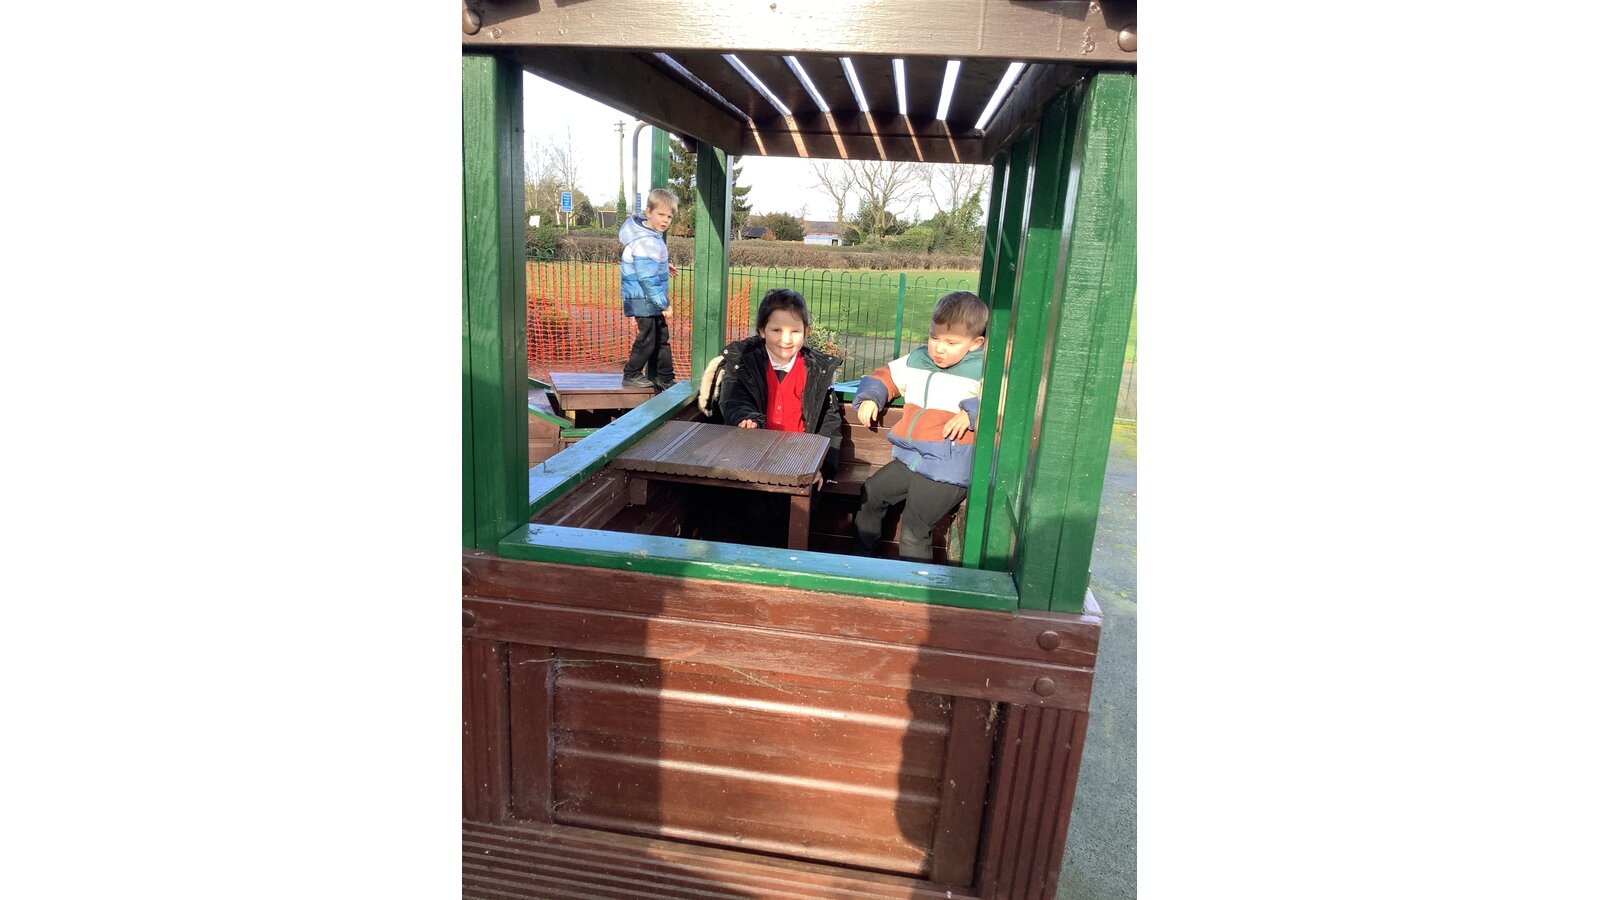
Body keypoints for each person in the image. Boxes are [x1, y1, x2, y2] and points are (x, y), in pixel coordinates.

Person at [851, 291, 988, 562]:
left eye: (951, 342)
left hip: (948, 467)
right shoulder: (919, 360)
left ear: (975, 343)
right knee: (872, 492)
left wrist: (972, 413)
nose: (939, 348)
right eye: (934, 337)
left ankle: (914, 582)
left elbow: (1003, 401)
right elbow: (886, 375)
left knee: (914, 528)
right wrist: (870, 397)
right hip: (912, 458)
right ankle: (860, 562)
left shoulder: (983, 369)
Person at [704, 287, 844, 488]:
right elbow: (733, 398)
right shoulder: (743, 364)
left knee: (803, 498)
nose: (785, 339)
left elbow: (829, 422)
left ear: (807, 332)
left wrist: (821, 464)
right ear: (762, 330)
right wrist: (746, 417)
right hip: (752, 459)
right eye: (777, 330)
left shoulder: (817, 371)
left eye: (795, 331)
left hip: (800, 462)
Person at [619, 188, 680, 389]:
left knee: (661, 337)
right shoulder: (646, 241)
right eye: (661, 214)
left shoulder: (649, 235)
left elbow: (646, 265)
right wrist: (664, 303)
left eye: (669, 217)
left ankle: (665, 377)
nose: (665, 220)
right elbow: (646, 277)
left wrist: (663, 265)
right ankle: (631, 374)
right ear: (648, 212)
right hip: (643, 297)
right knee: (647, 338)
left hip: (647, 297)